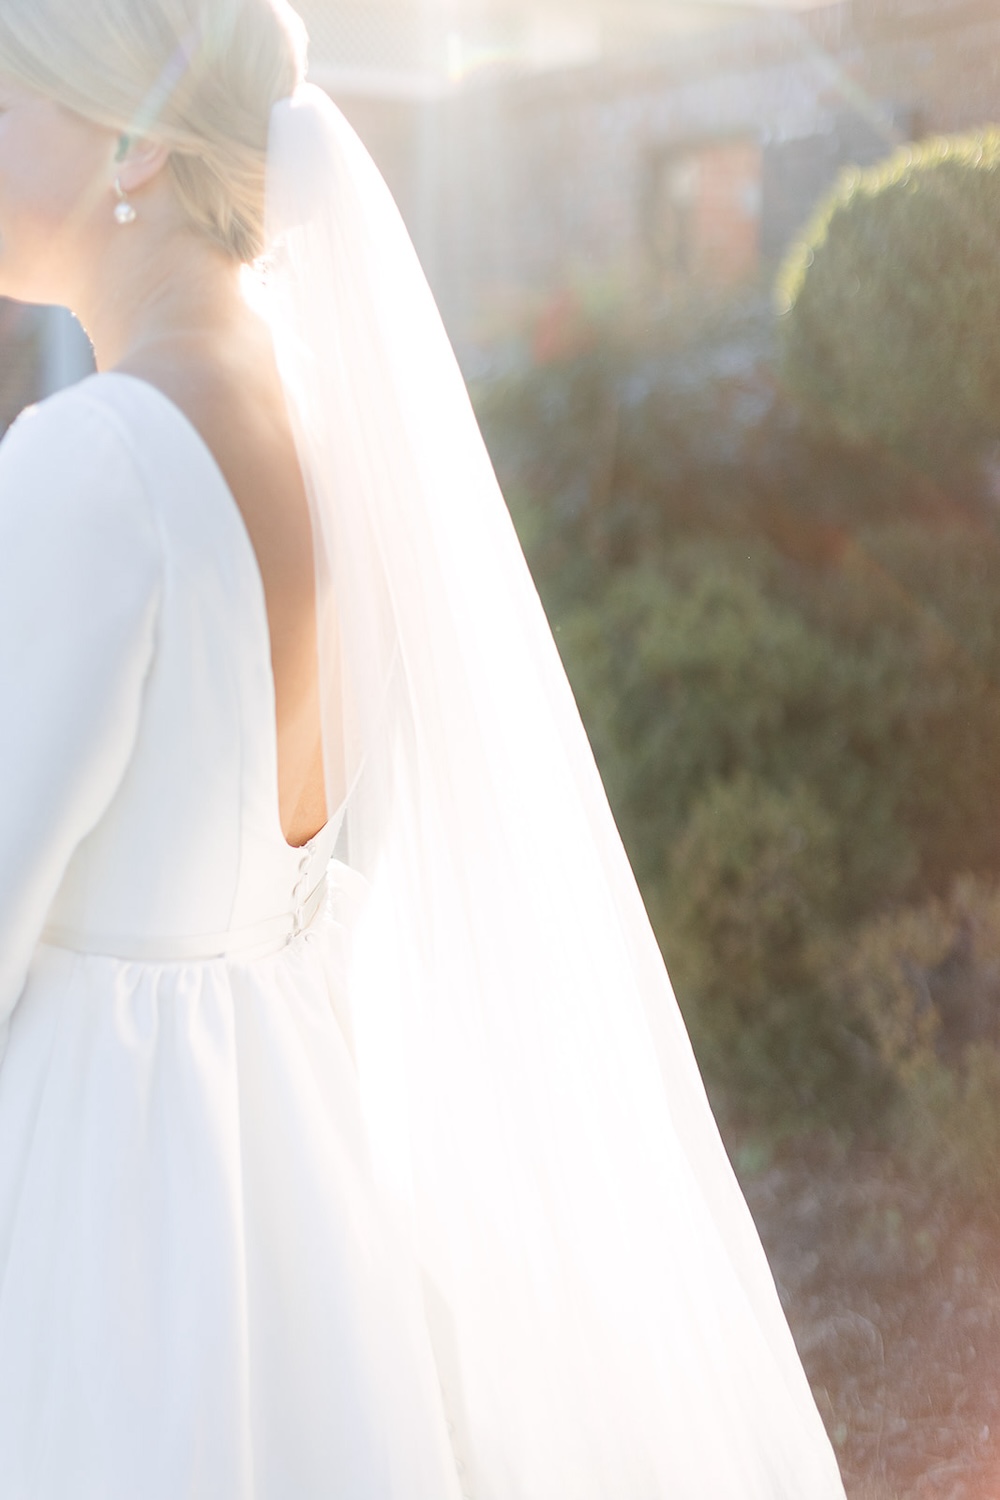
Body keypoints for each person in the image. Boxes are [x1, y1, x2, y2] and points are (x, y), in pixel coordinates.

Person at [0, 1, 848, 1496]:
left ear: (130, 140)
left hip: (100, 1208)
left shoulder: (91, 463)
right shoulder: (330, 428)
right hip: (296, 1179)